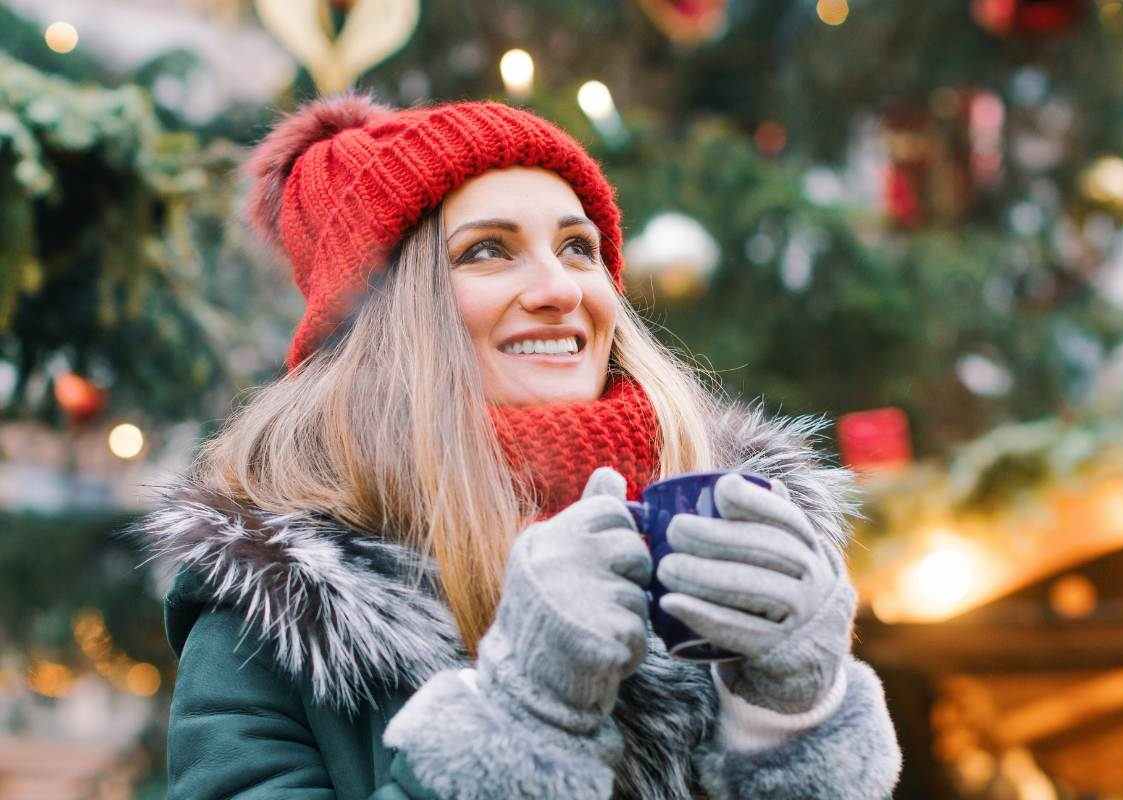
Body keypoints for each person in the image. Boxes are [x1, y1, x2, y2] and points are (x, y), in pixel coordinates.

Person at [138, 94, 901, 800]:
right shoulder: (274, 615)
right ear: (387, 320)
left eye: (579, 247)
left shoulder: (722, 527)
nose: (561, 289)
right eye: (487, 252)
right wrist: (520, 717)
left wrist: (795, 719)